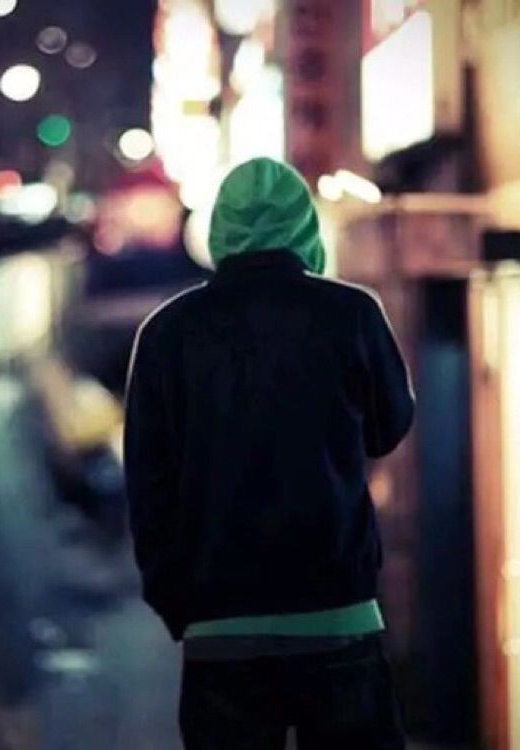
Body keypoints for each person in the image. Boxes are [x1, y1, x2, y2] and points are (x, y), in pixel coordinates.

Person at [124, 157, 415, 749]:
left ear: (219, 230)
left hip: (219, 629)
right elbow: (389, 428)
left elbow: (148, 488)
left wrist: (178, 602)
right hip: (339, 616)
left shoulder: (166, 333)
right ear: (303, 224)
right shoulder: (352, 314)